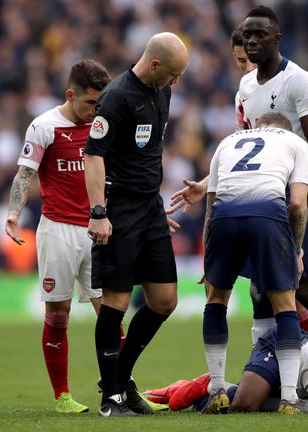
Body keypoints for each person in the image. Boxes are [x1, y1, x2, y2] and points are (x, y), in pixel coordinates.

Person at [170, 5, 308, 370]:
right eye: (245, 40)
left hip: (297, 195)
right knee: (263, 289)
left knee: (304, 287)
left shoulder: (299, 81)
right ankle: (268, 372)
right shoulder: (245, 89)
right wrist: (205, 184)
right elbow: (245, 148)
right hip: (259, 196)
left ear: (276, 38)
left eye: (257, 36)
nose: (248, 48)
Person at [84, 32, 189, 418]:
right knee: (116, 301)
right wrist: (99, 212)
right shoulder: (115, 98)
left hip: (150, 208)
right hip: (119, 208)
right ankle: (109, 398)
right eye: (174, 75)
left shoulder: (162, 91)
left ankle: (120, 379)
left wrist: (154, 208)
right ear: (156, 65)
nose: (176, 83)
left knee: (164, 300)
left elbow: (145, 152)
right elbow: (93, 157)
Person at [5, 59, 111, 414]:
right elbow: (24, 174)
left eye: (100, 104)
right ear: (71, 94)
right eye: (90, 104)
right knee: (59, 312)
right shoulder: (44, 126)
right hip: (58, 230)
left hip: (97, 229)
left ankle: (118, 388)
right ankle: (62, 396)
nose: (95, 111)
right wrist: (13, 214)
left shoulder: (101, 125)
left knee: (111, 311)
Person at [201, 112, 308, 415]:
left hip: (224, 215)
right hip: (267, 213)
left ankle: (218, 389)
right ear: (286, 129)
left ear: (256, 127)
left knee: (216, 300)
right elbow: (298, 203)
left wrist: (206, 255)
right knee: (284, 304)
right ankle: (289, 399)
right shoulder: (296, 143)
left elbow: (210, 208)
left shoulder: (227, 141)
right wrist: (296, 251)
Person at [146, 326, 308, 414]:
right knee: (245, 405)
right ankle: (206, 383)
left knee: (240, 404)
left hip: (297, 391)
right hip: (282, 349)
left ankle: (206, 393)